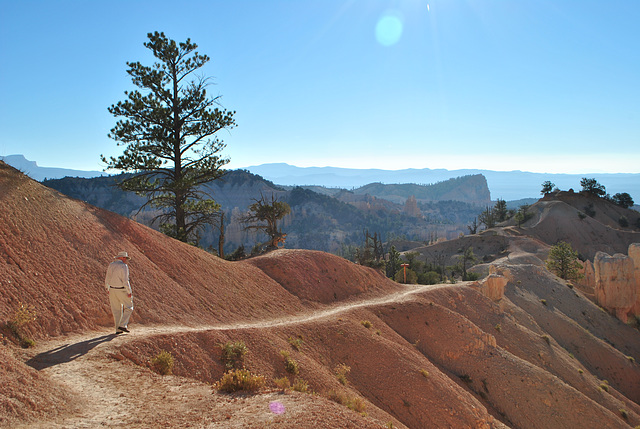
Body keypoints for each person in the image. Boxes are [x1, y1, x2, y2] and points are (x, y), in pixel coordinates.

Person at [104, 251, 134, 334]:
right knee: (129, 307)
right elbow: (125, 280)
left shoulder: (111, 265)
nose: (126, 260)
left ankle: (118, 329)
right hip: (121, 289)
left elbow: (107, 277)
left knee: (116, 310)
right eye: (126, 258)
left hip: (112, 289)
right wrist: (129, 291)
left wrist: (107, 288)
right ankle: (123, 325)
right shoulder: (123, 266)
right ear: (123, 258)